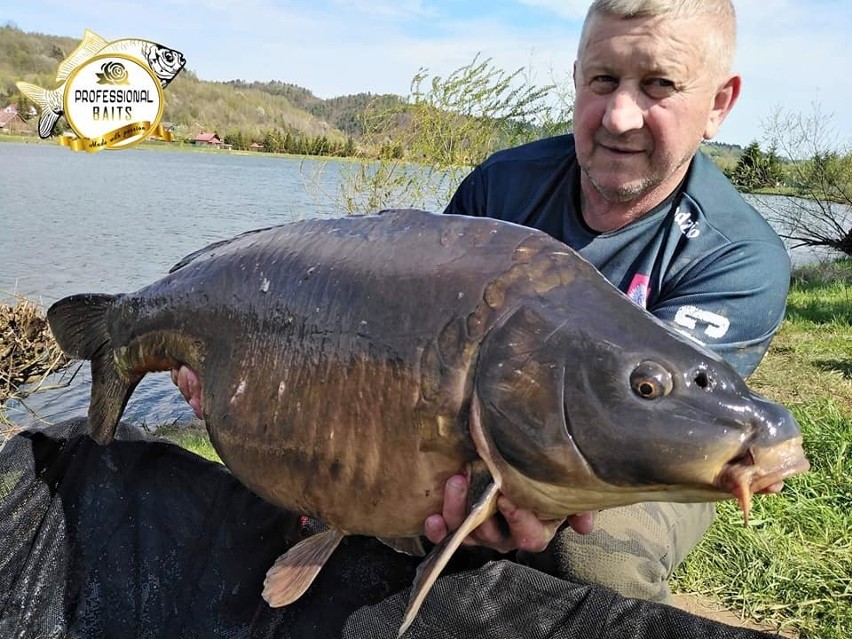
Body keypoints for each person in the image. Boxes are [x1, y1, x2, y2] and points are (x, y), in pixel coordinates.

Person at [173, 0, 791, 607]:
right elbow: (400, 341)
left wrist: (533, 492)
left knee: (591, 550)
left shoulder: (738, 257)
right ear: (576, 79)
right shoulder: (502, 184)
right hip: (473, 419)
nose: (620, 116)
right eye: (603, 80)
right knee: (385, 491)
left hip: (635, 465)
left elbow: (656, 422)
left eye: (659, 85)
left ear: (717, 104)